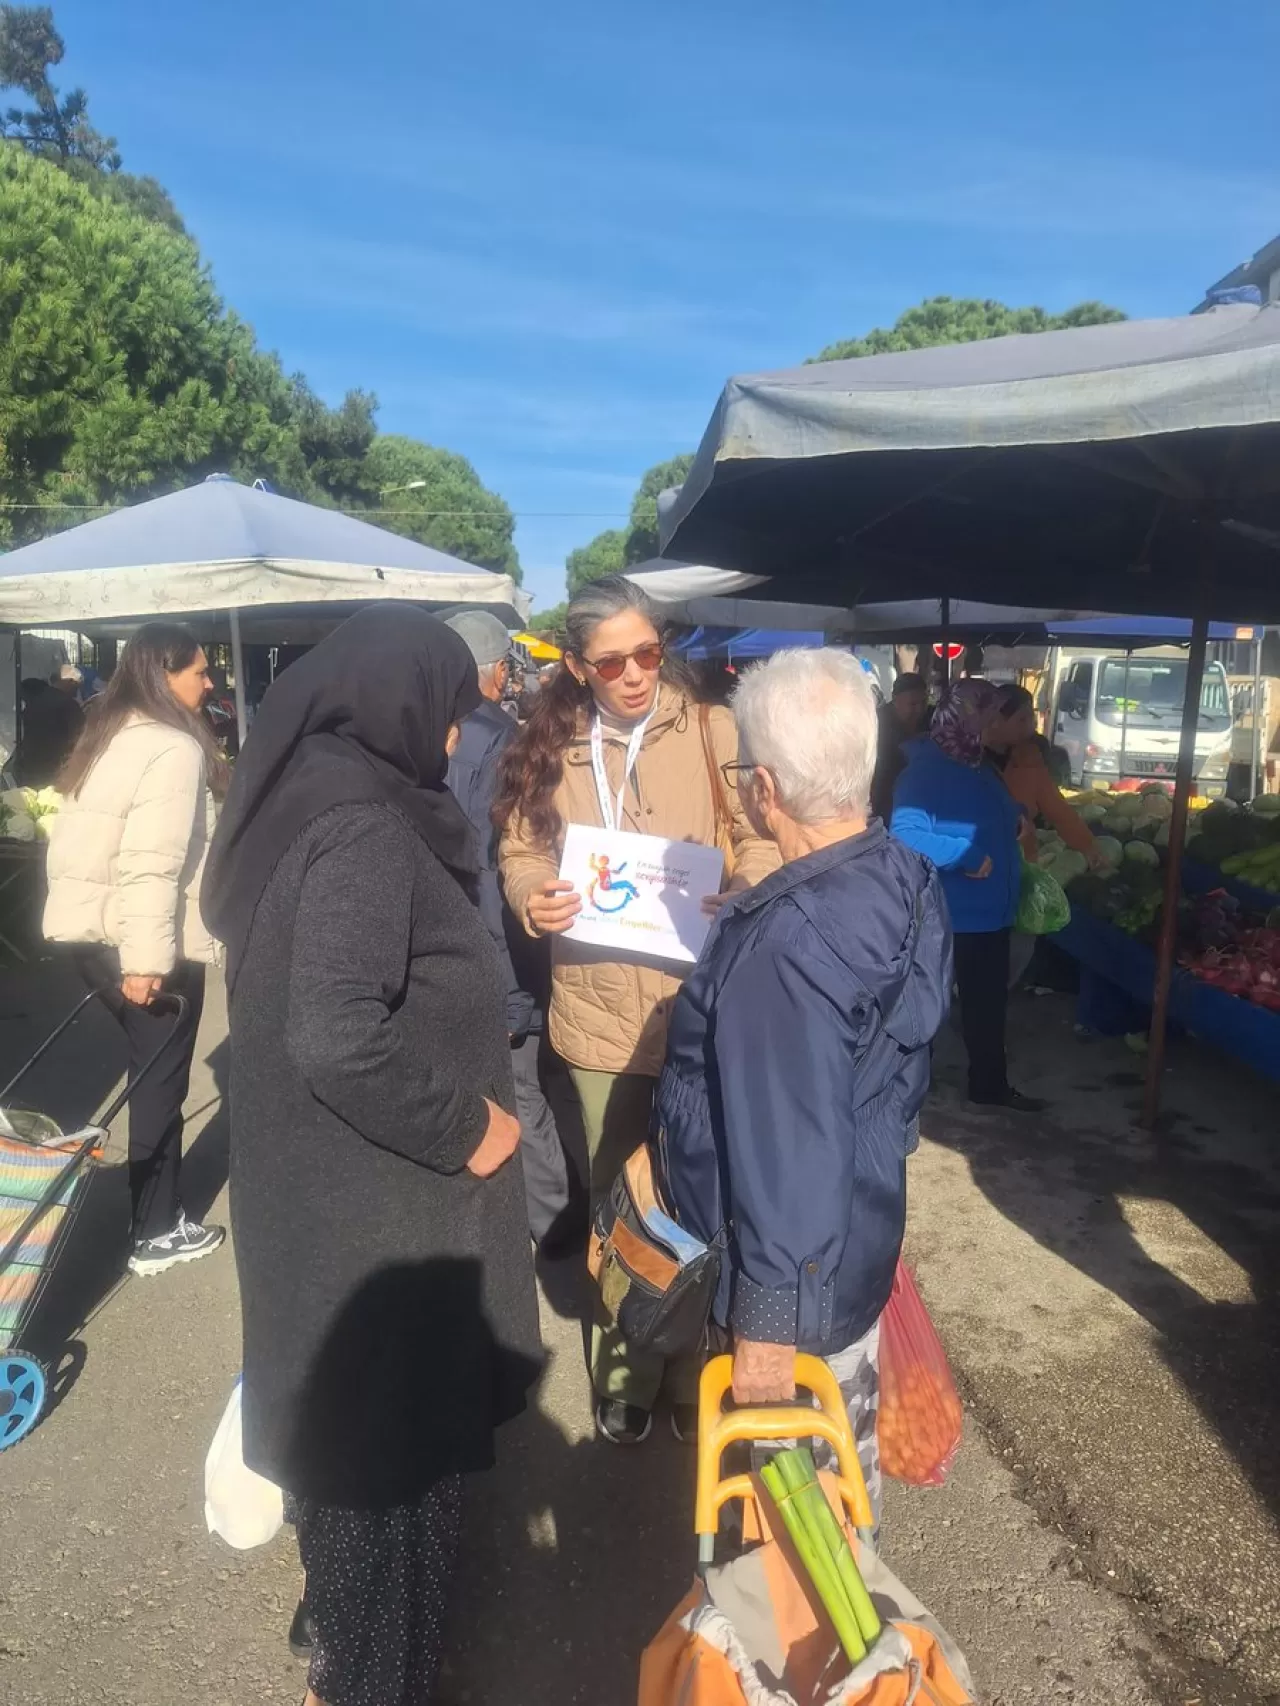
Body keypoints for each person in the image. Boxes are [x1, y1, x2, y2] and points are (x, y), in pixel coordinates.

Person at [201, 607, 540, 1706]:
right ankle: (364, 1678)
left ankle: (364, 1659)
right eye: (449, 714)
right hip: (375, 1202)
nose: (454, 740)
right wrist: (472, 1124)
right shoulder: (362, 827)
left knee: (363, 1481)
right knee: (381, 1479)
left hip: (336, 1200)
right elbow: (336, 1028)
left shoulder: (313, 794)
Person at [657, 649, 952, 1525]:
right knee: (838, 1485)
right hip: (855, 1236)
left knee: (785, 1532)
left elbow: (788, 1153)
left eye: (746, 770)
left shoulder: (785, 947)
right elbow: (896, 1075)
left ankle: (793, 1656)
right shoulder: (900, 871)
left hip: (797, 1278)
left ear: (766, 790)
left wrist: (766, 1331)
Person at [496, 575, 778, 1447]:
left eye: (648, 654)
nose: (633, 675)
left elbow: (758, 834)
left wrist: (744, 889)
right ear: (579, 666)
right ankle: (624, 1375)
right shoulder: (551, 745)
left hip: (700, 1012)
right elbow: (519, 846)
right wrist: (533, 893)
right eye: (612, 661)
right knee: (621, 1211)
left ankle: (694, 1373)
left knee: (704, 1203)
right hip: (596, 1019)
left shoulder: (711, 730)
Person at [43, 626, 226, 1274]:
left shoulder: (109, 733)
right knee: (158, 1085)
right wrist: (147, 958)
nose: (211, 683)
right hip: (144, 940)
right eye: (200, 672)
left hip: (91, 932)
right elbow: (152, 862)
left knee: (150, 1076)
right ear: (163, 673)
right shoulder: (172, 746)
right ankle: (155, 1230)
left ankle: (154, 1215)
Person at [444, 608, 583, 1255]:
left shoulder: (424, 737)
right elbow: (495, 872)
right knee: (523, 1087)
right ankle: (554, 1222)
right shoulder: (504, 744)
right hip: (501, 949)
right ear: (499, 672)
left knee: (489, 1084)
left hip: (447, 953)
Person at [891, 678, 1046, 1114]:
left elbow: (993, 806)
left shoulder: (978, 763)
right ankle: (907, 1095)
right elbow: (904, 834)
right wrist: (963, 853)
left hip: (991, 913)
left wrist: (1015, 816)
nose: (999, 723)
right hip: (950, 915)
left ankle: (989, 1086)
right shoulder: (926, 769)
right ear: (968, 717)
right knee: (930, 1010)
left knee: (988, 1007)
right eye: (992, 713)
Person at [12, 664, 84, 787]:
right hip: (57, 769)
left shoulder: (35, 701)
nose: (77, 690)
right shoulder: (68, 704)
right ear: (68, 681)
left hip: (32, 765)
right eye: (76, 685)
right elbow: (81, 736)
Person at [870, 672, 929, 820]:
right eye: (913, 704)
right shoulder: (876, 724)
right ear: (895, 700)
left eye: (924, 703)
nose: (920, 710)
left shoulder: (932, 719)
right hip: (884, 797)